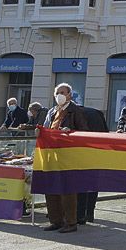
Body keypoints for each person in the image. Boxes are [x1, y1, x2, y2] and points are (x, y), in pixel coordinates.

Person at [42, 84, 88, 233]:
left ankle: (70, 222)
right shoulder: (51, 111)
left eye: (62, 92)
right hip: (51, 153)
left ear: (69, 95)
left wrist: (70, 132)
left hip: (68, 155)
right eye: (57, 93)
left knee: (68, 190)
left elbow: (84, 131)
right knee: (50, 188)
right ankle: (55, 220)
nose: (59, 95)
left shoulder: (75, 111)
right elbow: (46, 129)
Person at [77, 106, 109, 224]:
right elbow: (106, 133)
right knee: (93, 184)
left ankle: (80, 215)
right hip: (97, 152)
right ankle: (90, 213)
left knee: (81, 185)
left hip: (82, 153)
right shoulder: (97, 113)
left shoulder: (76, 113)